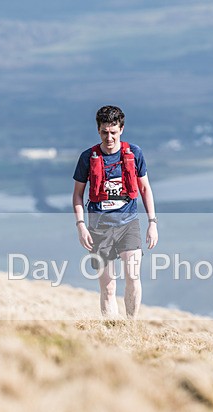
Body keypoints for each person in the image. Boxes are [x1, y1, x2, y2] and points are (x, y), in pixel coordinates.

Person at [72, 105, 158, 318]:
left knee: (133, 276)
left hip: (129, 223)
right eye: (104, 132)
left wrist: (152, 223)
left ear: (121, 129)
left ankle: (131, 327)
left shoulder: (134, 153)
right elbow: (77, 195)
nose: (109, 137)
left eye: (113, 131)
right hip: (99, 227)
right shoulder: (87, 157)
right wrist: (81, 226)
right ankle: (113, 332)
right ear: (98, 130)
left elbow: (145, 188)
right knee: (108, 287)